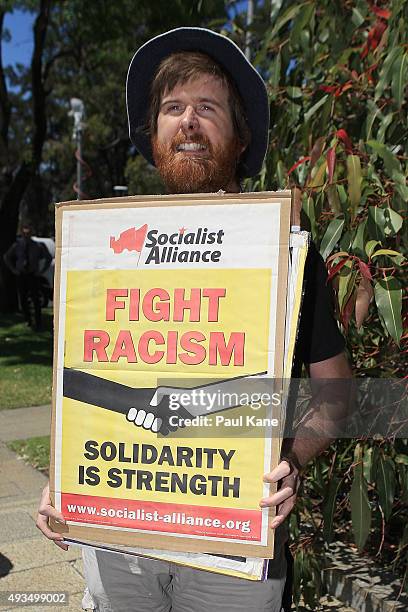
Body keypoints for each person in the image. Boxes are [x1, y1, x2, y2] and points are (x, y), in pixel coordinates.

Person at [36, 27, 352, 611]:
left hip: (233, 552)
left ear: (239, 138)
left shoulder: (288, 255)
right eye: (173, 108)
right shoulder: (105, 251)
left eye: (207, 108)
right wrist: (66, 477)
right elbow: (77, 379)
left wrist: (290, 459)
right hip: (117, 538)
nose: (188, 122)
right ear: (152, 134)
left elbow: (337, 393)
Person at [3, 222, 52, 331]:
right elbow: (7, 257)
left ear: (31, 233)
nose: (27, 233)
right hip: (21, 275)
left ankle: (39, 323)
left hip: (33, 275)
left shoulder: (38, 246)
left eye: (28, 231)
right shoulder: (17, 245)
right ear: (22, 233)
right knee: (24, 299)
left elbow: (48, 258)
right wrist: (13, 269)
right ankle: (28, 321)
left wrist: (42, 270)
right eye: (24, 231)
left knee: (36, 300)